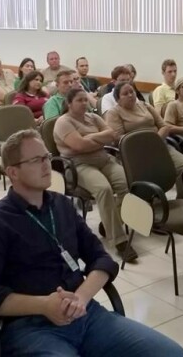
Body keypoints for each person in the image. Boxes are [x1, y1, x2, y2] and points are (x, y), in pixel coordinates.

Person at [0, 129, 183, 357]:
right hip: (31, 328)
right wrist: (44, 305)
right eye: (36, 160)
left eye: (47, 157)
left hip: (86, 315)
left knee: (173, 354)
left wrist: (81, 298)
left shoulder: (61, 205)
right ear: (13, 172)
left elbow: (101, 258)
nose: (47, 165)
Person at [54, 88, 135, 261]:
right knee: (104, 189)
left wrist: (89, 138)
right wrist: (98, 139)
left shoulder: (94, 117)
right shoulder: (63, 122)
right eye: (79, 100)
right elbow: (79, 147)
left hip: (104, 160)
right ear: (69, 104)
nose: (84, 103)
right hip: (79, 165)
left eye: (85, 100)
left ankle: (110, 225)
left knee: (128, 185)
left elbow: (112, 135)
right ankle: (119, 241)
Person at [105, 81, 183, 198]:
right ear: (117, 99)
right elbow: (118, 138)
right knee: (149, 175)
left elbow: (164, 126)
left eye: (132, 92)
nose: (130, 95)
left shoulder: (145, 105)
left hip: (159, 145)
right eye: (125, 94)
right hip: (135, 153)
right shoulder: (114, 113)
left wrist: (155, 141)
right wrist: (145, 142)